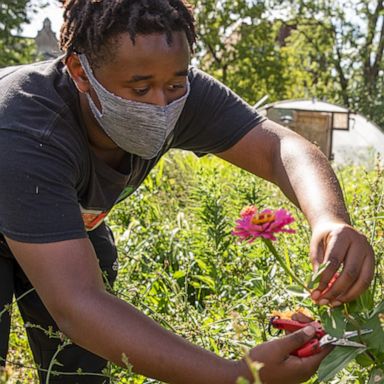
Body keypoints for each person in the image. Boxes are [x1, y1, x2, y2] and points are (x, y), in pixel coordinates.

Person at [0, 1, 374, 383]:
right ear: (81, 72)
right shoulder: (25, 128)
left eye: (176, 84)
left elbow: (279, 148)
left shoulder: (180, 95)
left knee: (83, 368)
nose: (162, 105)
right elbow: (77, 304)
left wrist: (330, 219)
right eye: (140, 88)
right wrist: (235, 377)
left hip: (68, 222)